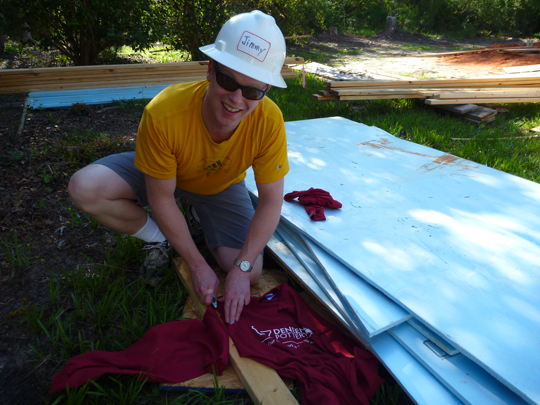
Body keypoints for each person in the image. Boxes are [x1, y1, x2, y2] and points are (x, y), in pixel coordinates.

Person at [68, 10, 289, 325]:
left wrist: (239, 271)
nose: (237, 99)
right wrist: (197, 265)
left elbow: (271, 200)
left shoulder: (270, 121)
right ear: (210, 70)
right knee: (86, 187)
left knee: (250, 269)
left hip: (220, 185)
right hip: (164, 175)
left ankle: (196, 217)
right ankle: (158, 236)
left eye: (253, 91)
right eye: (229, 80)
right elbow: (161, 198)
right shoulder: (163, 112)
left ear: (266, 90)